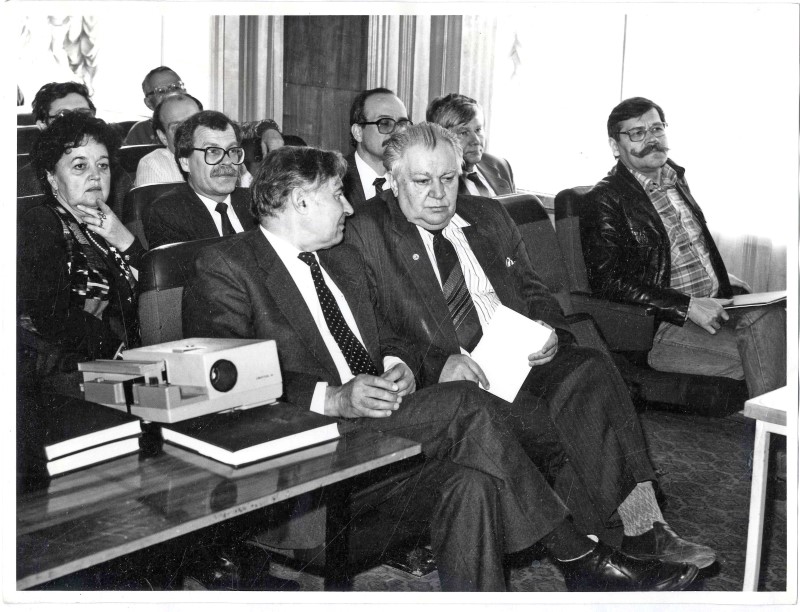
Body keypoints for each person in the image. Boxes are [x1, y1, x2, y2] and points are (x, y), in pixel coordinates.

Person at [181, 145, 700, 592]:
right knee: (471, 406)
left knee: (475, 481)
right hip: (308, 449)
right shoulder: (227, 267)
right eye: (337, 195)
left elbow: (384, 338)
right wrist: (331, 397)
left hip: (383, 425)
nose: (348, 206)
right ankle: (580, 557)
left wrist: (398, 364)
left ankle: (567, 558)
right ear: (300, 201)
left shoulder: (340, 260)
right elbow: (228, 388)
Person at [344, 122, 717, 569]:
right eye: (422, 181)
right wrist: (436, 366)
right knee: (553, 423)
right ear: (392, 179)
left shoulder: (488, 215)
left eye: (448, 178)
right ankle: (615, 546)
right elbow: (370, 329)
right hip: (455, 379)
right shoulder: (366, 231)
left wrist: (548, 327)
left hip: (517, 355)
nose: (439, 195)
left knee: (589, 366)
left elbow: (532, 287)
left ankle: (644, 528)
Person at [579, 97, 786, 399]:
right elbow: (608, 282)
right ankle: (774, 430)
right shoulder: (604, 199)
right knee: (772, 351)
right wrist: (686, 306)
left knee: (776, 316)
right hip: (662, 326)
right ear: (615, 146)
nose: (651, 139)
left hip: (715, 305)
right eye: (637, 133)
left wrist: (720, 276)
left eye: (657, 128)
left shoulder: (675, 179)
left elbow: (679, 249)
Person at [18, 113, 142, 397]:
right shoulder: (41, 223)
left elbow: (153, 294)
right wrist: (124, 356)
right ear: (52, 177)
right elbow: (52, 317)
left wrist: (125, 241)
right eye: (79, 166)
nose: (95, 175)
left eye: (102, 165)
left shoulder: (107, 223)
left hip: (115, 360)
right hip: (62, 369)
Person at [141, 110, 257, 248]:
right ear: (185, 162)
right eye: (213, 151)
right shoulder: (168, 213)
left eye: (232, 151)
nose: (227, 161)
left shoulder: (255, 202)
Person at [21, 82, 132, 216]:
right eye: (63, 116)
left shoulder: (117, 176)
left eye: (84, 114)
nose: (76, 122)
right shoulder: (23, 182)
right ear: (43, 125)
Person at [427, 93, 515, 196]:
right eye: (463, 132)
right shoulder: (433, 181)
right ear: (440, 137)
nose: (476, 140)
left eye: (478, 129)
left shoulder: (501, 166)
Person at [343, 87, 412, 206]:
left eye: (402, 124)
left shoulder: (413, 179)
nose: (396, 132)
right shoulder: (337, 178)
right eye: (385, 123)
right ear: (358, 132)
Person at [134, 93, 203, 187]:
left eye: (195, 123)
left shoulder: (221, 155)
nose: (190, 132)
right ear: (163, 137)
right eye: (177, 127)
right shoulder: (153, 165)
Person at [124, 66, 186, 146]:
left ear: (185, 92)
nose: (171, 94)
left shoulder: (200, 124)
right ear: (149, 103)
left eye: (176, 87)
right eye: (161, 91)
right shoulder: (140, 132)